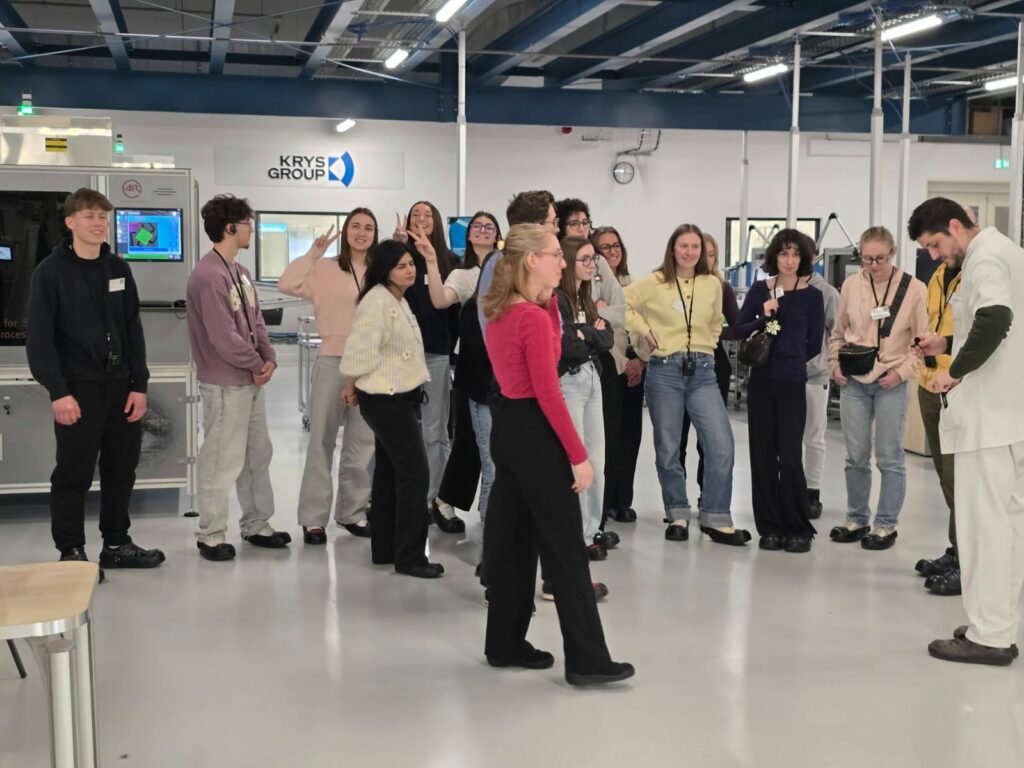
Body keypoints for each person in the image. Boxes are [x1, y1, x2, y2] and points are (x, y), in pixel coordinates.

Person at [481, 223, 633, 685]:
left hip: (507, 427)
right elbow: (548, 393)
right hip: (535, 429)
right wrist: (578, 454)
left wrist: (550, 300)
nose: (563, 262)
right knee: (566, 548)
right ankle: (587, 659)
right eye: (554, 255)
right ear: (531, 260)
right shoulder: (530, 316)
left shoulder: (506, 310)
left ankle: (504, 643)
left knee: (512, 540)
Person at [908, 197, 1024, 667]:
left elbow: (997, 318)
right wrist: (948, 341)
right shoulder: (1010, 252)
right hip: (1010, 414)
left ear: (956, 226)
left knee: (985, 528)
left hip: (989, 418)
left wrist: (952, 369)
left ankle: (990, 636)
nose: (935, 255)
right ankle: (998, 621)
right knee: (1008, 526)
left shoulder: (985, 259)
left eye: (935, 244)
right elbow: (997, 327)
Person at [27, 187, 165, 578]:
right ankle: (71, 550)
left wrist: (139, 385)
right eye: (89, 216)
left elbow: (132, 329)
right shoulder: (50, 273)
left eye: (103, 217)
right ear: (70, 222)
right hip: (77, 390)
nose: (98, 223)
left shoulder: (118, 269)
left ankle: (117, 544)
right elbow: (39, 340)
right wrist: (59, 391)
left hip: (121, 387)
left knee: (122, 469)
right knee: (74, 472)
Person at [625, 224, 748, 546]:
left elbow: (714, 322)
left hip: (704, 372)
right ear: (672, 249)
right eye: (684, 246)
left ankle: (716, 517)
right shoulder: (655, 282)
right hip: (664, 370)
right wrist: (644, 330)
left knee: (721, 444)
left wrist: (707, 341)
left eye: (696, 246)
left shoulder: (713, 284)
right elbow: (618, 303)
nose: (690, 252)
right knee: (667, 447)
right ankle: (677, 512)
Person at [187, 194, 289, 561]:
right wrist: (254, 364)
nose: (251, 229)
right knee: (221, 459)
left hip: (249, 380)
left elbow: (256, 323)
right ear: (230, 227)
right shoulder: (207, 276)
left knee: (257, 454)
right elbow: (223, 337)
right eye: (247, 223)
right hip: (226, 384)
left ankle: (257, 523)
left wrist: (269, 358)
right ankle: (211, 534)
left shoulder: (241, 274)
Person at [341, 239, 443, 579]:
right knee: (416, 473)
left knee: (388, 475)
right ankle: (411, 556)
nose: (410, 269)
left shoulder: (395, 299)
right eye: (401, 266)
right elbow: (359, 349)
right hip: (385, 398)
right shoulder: (377, 302)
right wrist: (351, 385)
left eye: (411, 263)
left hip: (397, 395)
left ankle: (386, 550)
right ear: (385, 271)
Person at [278, 210, 377, 544]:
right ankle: (313, 517)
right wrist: (313, 252)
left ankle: (353, 512)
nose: (362, 233)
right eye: (356, 227)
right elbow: (287, 283)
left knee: (362, 443)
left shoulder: (379, 271)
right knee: (321, 438)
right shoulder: (325, 268)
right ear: (346, 231)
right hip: (333, 361)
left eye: (368, 228)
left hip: (370, 366)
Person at [828, 226, 928, 550]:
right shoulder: (851, 285)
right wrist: (835, 365)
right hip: (855, 382)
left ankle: (886, 525)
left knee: (889, 457)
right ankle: (856, 518)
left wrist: (902, 373)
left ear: (893, 254)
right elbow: (838, 332)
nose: (873, 265)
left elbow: (922, 344)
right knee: (855, 456)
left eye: (879, 258)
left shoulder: (914, 289)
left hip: (890, 381)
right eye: (866, 258)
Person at [734, 229, 825, 552]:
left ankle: (797, 526)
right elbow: (737, 329)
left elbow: (814, 342)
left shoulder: (813, 296)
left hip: (791, 381)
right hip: (761, 380)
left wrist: (791, 357)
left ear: (804, 259)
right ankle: (769, 526)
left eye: (796, 254)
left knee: (789, 455)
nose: (789, 260)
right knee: (762, 454)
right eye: (784, 254)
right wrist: (763, 315)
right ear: (775, 257)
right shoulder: (761, 289)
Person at [426, 212, 502, 558]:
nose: (483, 230)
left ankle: (447, 498)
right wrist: (430, 260)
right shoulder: (463, 273)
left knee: (481, 444)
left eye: (489, 226)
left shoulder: (507, 271)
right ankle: (448, 501)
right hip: (472, 365)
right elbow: (440, 300)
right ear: (468, 236)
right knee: (472, 439)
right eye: (477, 226)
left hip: (501, 367)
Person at [555, 198, 625, 548]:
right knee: (576, 459)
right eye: (585, 260)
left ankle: (590, 531)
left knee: (596, 457)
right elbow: (568, 344)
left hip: (592, 377)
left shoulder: (585, 295)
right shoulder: (557, 299)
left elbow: (607, 333)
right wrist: (591, 334)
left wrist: (591, 334)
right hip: (568, 381)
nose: (592, 265)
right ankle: (575, 536)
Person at [393, 201, 463, 533]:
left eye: (427, 215)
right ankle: (398, 497)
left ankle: (436, 499)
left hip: (435, 354)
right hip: (400, 356)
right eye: (415, 215)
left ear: (436, 222)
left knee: (436, 431)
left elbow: (453, 315)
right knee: (398, 430)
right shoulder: (397, 258)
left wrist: (451, 353)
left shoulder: (450, 262)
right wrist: (394, 248)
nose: (421, 220)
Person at [680, 232, 739, 503]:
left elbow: (735, 328)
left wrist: (711, 331)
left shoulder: (722, 287)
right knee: (676, 438)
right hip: (677, 366)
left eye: (711, 253)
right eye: (703, 251)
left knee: (710, 439)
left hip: (714, 365)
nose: (705, 257)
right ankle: (677, 500)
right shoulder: (676, 284)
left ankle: (708, 494)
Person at [593, 226, 647, 524]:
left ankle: (622, 499)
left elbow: (643, 326)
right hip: (608, 369)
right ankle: (605, 499)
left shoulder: (634, 284)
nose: (612, 251)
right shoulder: (593, 286)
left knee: (631, 436)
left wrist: (640, 360)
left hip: (634, 367)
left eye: (616, 246)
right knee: (609, 437)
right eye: (604, 247)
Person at [476, 190, 559, 331]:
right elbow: (492, 326)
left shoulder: (544, 261)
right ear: (537, 226)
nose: (557, 229)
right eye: (554, 222)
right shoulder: (499, 264)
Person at [802, 234, 840, 521]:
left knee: (814, 436)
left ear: (814, 257)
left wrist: (832, 364)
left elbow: (836, 333)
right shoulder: (777, 289)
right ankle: (788, 487)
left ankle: (812, 491)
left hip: (815, 374)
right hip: (782, 376)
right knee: (785, 438)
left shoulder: (826, 292)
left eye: (803, 254)